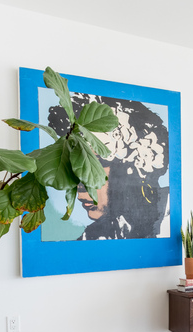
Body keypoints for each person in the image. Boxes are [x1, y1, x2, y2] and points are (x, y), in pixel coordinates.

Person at [47, 93, 170, 240]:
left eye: (94, 165)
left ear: (131, 167)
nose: (80, 188)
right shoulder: (92, 238)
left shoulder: (170, 220)